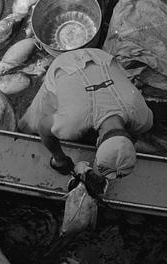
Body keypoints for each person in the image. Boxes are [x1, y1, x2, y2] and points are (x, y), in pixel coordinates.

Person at [18, 47, 154, 183]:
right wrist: (59, 159)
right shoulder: (72, 124)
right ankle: (23, 127)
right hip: (66, 66)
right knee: (31, 122)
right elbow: (43, 127)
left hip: (101, 57)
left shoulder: (143, 117)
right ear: (98, 141)